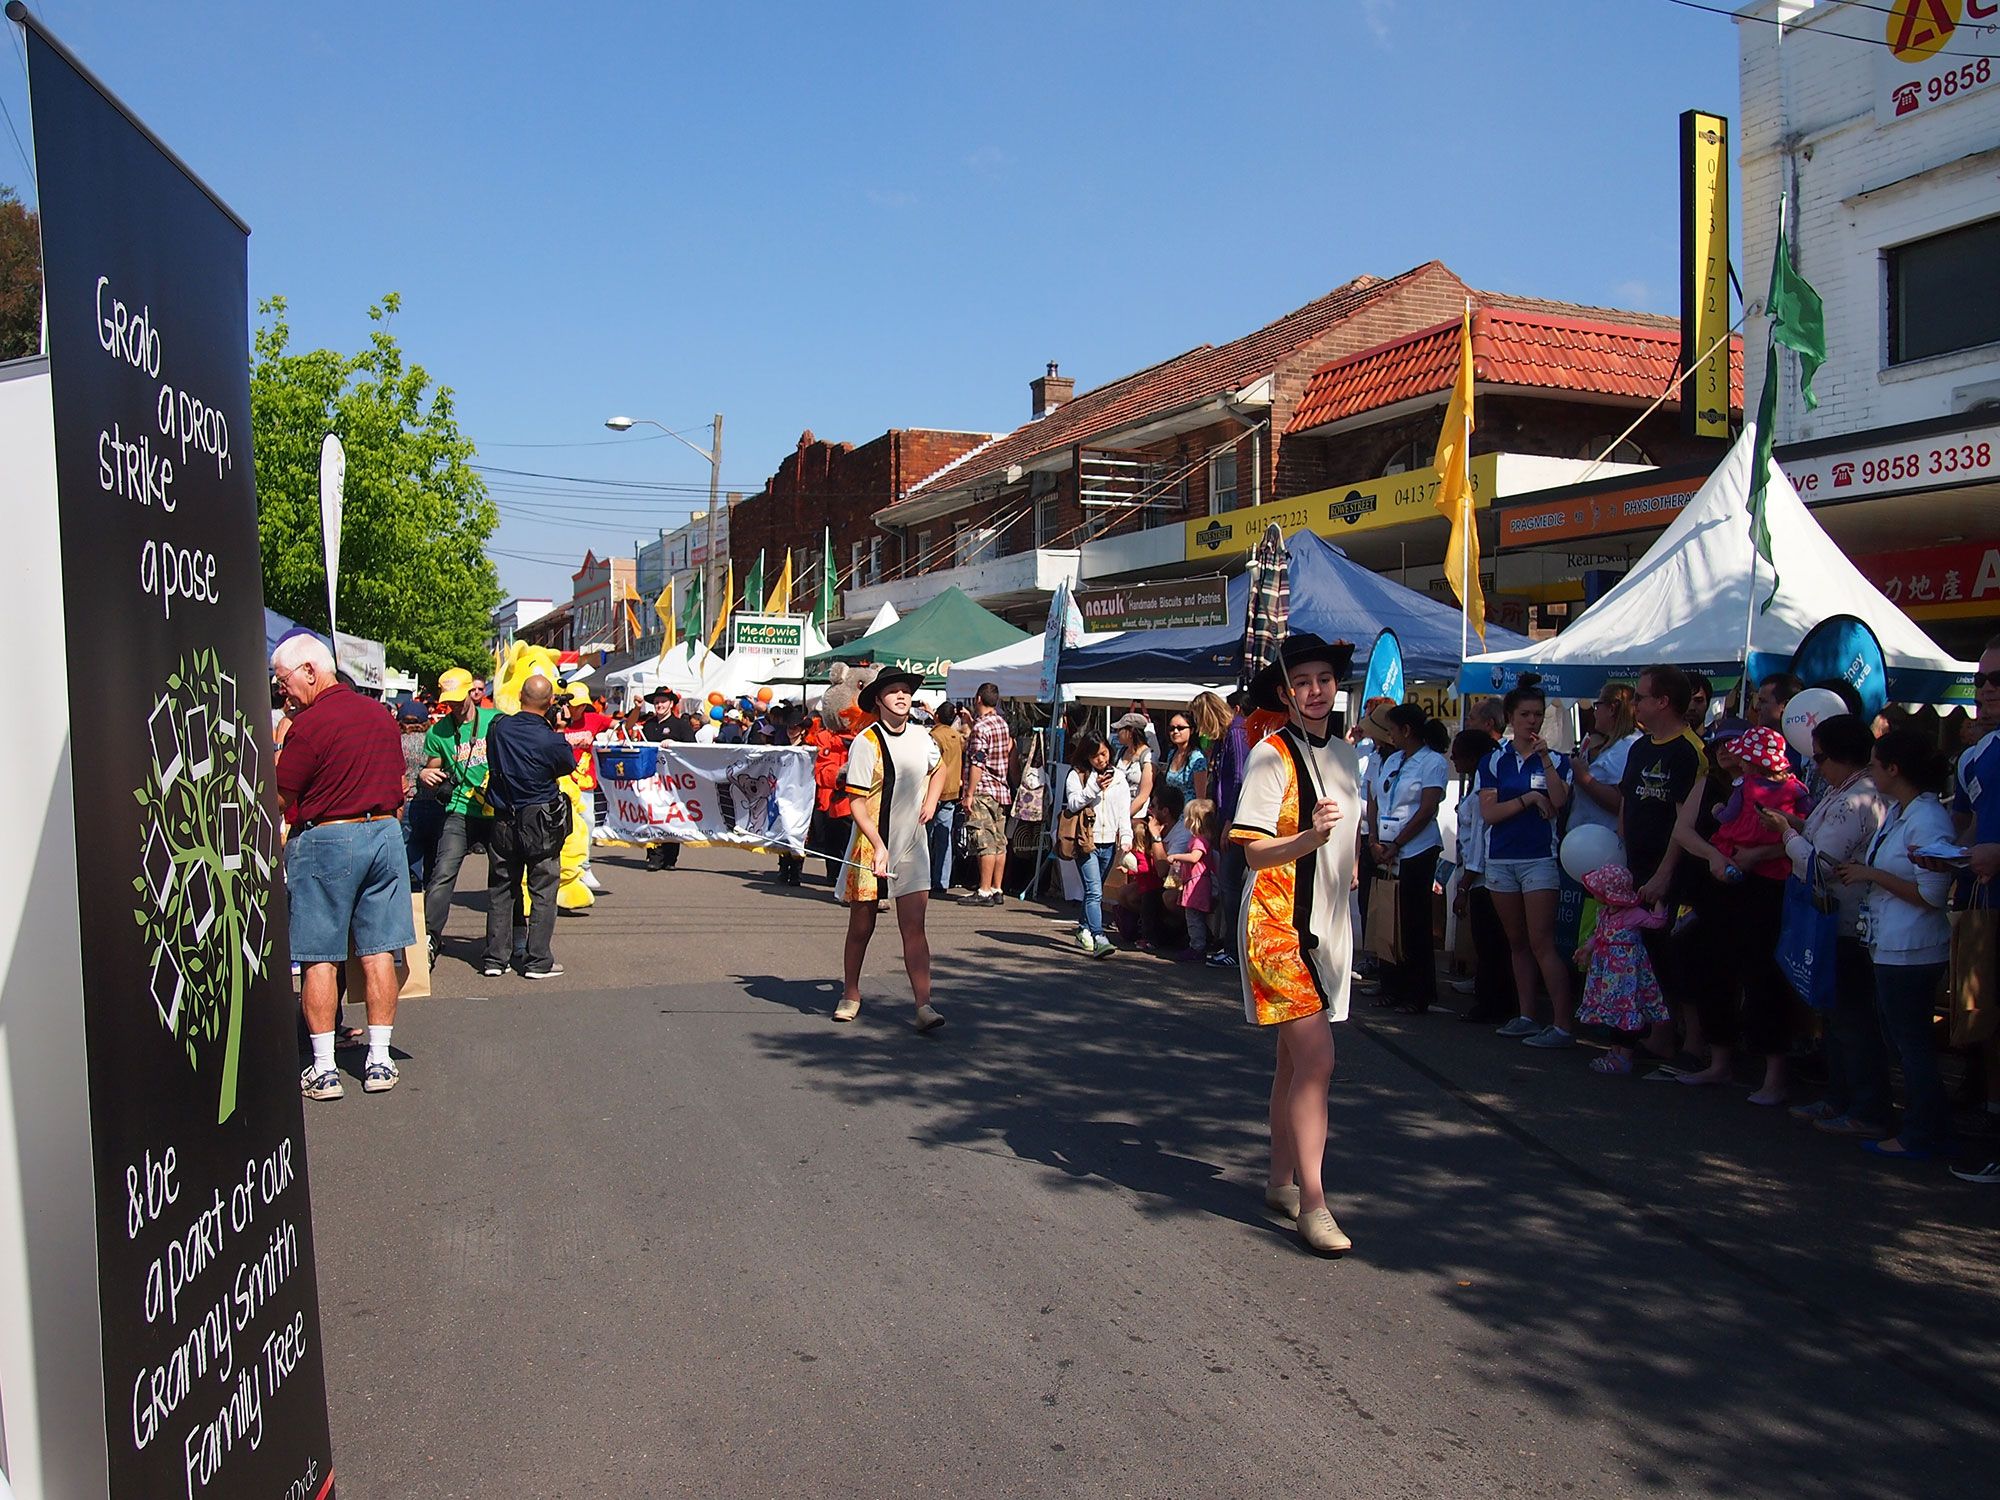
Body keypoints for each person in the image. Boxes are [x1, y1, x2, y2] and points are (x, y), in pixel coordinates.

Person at [1231, 633, 1362, 1256]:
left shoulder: (1345, 753)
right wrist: (1309, 839)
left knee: (1292, 1063)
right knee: (1318, 1061)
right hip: (1277, 926)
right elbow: (1253, 850)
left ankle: (1279, 1180)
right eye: (1302, 681)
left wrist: (1352, 863)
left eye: (1324, 679)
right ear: (1285, 692)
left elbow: (1349, 841)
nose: (1315, 690)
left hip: (1329, 924)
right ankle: (1314, 1202)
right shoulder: (1269, 755)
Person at [272, 634, 414, 1100]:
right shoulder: (380, 715)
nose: (283, 692)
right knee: (378, 952)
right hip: (384, 835)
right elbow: (397, 783)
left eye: (284, 681)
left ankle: (325, 1069)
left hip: (328, 838)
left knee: (319, 958)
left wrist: (278, 745)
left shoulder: (308, 726)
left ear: (311, 671)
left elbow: (278, 795)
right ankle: (379, 1060)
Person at [1835, 728, 1958, 1162]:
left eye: (1874, 764)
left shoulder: (1926, 818)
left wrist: (1872, 876)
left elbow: (1931, 894)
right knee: (1903, 1041)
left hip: (1913, 949)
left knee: (1912, 1044)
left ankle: (1924, 1131)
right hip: (1889, 943)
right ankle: (1924, 1126)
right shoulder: (1902, 811)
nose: (1870, 771)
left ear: (1894, 769)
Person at [1672, 726, 1809, 1100]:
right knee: (1713, 971)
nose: (1723, 752)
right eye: (1718, 745)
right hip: (1717, 887)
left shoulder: (1786, 785)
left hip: (1766, 890)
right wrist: (1716, 856)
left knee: (1763, 975)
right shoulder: (1712, 784)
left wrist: (1755, 856)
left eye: (1732, 746)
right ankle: (1719, 1062)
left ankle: (1774, 1076)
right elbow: (1684, 831)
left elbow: (1803, 834)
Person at [1772, 714, 1890, 1136]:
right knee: (1834, 1016)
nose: (1816, 765)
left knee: (1851, 1018)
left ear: (1840, 756)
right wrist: (1795, 827)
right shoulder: (1840, 792)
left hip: (1845, 922)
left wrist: (1787, 835)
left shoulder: (1855, 799)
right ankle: (1841, 1097)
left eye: (1820, 757)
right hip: (1829, 919)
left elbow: (1820, 863)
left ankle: (1867, 1108)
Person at [835, 669, 950, 1031]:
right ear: (878, 700)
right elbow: (855, 802)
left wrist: (931, 803)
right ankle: (850, 993)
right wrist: (878, 844)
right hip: (872, 846)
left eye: (905, 691)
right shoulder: (865, 742)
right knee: (861, 925)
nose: (902, 696)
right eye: (893, 691)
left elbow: (940, 768)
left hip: (912, 845)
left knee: (914, 927)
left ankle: (923, 1005)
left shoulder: (921, 736)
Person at [1619, 665, 1711, 1071]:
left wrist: (1664, 873)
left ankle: (1694, 1042)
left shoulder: (1689, 751)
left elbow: (1684, 822)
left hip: (1675, 872)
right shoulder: (1640, 748)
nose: (1634, 703)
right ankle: (1659, 1035)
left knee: (1681, 954)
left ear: (1663, 701)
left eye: (1641, 696)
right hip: (1637, 865)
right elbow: (1628, 802)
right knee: (1650, 954)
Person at [1478, 675, 1577, 1048]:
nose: (1532, 722)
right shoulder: (1494, 760)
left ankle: (1564, 1024)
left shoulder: (1558, 759)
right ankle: (1526, 1014)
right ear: (1511, 717)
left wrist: (1546, 760)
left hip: (1538, 858)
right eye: (1525, 714)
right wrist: (1527, 801)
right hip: (1502, 858)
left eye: (1537, 714)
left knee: (1542, 942)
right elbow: (1490, 812)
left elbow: (1559, 800)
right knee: (1516, 941)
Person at [1945, 636, 2000, 1183]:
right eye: (1981, 679)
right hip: (1984, 903)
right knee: (1985, 1020)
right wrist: (1944, 855)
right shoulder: (1975, 755)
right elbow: (1965, 826)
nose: (1986, 690)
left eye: (1997, 680)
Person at [481, 675, 577, 980]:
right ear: (550, 702)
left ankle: (496, 958)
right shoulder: (549, 738)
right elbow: (565, 766)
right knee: (543, 888)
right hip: (540, 819)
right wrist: (558, 730)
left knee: (501, 887)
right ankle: (538, 960)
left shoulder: (497, 727)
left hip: (503, 816)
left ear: (520, 695)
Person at [1369, 703, 1450, 1015]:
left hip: (1417, 849)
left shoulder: (1432, 762)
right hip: (1387, 850)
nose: (1388, 734)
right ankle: (1391, 985)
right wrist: (1375, 840)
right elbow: (1376, 798)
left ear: (1407, 731)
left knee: (1414, 922)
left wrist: (1399, 842)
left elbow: (1427, 808)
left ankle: (1418, 992)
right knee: (1388, 919)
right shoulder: (1392, 760)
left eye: (1392, 729)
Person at [419, 667, 497, 960]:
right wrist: (426, 773)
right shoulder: (438, 732)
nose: (452, 705)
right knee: (443, 873)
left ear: (473, 691)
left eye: (457, 698)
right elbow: (432, 765)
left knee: (504, 876)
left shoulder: (494, 719)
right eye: (447, 700)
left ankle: (508, 937)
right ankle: (430, 938)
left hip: (494, 810)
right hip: (459, 810)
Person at [1574, 863, 1671, 1074]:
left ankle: (1624, 1058)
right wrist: (1586, 949)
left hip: (1626, 974)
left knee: (1627, 1013)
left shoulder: (1632, 914)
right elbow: (1598, 935)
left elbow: (1656, 923)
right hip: (1608, 972)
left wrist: (1659, 904)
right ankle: (1615, 1052)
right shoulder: (1604, 913)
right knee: (1613, 1014)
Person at [1448, 727, 1513, 1024]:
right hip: (1479, 874)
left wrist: (1465, 884)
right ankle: (1488, 995)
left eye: (1458, 754)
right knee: (1487, 942)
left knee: (1491, 943)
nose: (1453, 758)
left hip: (1484, 876)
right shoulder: (1476, 784)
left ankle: (1493, 1002)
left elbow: (1479, 837)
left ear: (1473, 757)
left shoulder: (1481, 791)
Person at [1065, 730, 1133, 959]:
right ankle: (1098, 936)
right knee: (1094, 891)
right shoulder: (1078, 775)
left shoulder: (1120, 777)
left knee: (1094, 890)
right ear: (1086, 757)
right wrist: (1093, 788)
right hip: (1086, 841)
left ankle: (1083, 927)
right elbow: (1073, 804)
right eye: (1095, 756)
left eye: (1103, 753)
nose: (1101, 759)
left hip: (1109, 843)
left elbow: (1124, 810)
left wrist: (1126, 837)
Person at [962, 683, 1013, 905]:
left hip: (983, 789)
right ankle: (997, 887)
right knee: (999, 841)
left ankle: (983, 891)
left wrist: (969, 793)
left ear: (978, 698)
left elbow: (978, 760)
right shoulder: (1001, 723)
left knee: (984, 840)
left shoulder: (981, 727)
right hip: (1001, 788)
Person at [1570, 684, 1638, 834]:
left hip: (1603, 840)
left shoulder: (1626, 747)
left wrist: (1583, 777)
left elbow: (1620, 802)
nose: (1594, 714)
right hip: (1589, 837)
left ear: (1612, 709)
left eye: (1597, 706)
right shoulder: (1617, 745)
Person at [1164, 796, 1220, 962]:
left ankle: (1197, 947)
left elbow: (1195, 857)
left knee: (1193, 916)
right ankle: (1199, 943)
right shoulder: (1201, 839)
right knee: (1195, 916)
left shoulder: (1199, 841)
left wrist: (1176, 856)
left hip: (1198, 882)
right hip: (1196, 880)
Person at [398, 698, 444, 888]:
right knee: (433, 857)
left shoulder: (397, 742)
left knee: (410, 855)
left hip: (408, 803)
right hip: (434, 803)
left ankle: (413, 899)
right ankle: (431, 901)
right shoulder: (433, 741)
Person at [766, 703, 812, 886]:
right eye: (789, 728)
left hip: (801, 795)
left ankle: (796, 871)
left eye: (795, 728)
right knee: (783, 829)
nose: (791, 731)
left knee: (799, 832)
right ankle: (783, 867)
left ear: (802, 730)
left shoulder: (808, 748)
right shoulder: (781, 746)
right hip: (783, 792)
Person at [928, 701, 966, 896]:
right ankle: (942, 880)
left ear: (937, 716)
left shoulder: (934, 736)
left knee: (926, 837)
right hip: (952, 790)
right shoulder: (957, 737)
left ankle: (923, 877)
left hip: (934, 791)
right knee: (945, 837)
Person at [1112, 711, 1155, 824]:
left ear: (1130, 732)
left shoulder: (1148, 756)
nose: (1117, 733)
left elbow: (1143, 795)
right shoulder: (1121, 752)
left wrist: (1124, 818)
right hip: (1115, 810)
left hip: (1137, 817)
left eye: (1120, 729)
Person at [1162, 709, 1210, 802]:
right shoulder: (1172, 754)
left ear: (1191, 730)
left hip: (1189, 813)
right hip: (1171, 812)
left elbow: (1201, 798)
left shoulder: (1197, 758)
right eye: (1171, 729)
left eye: (1180, 728)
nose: (1175, 731)